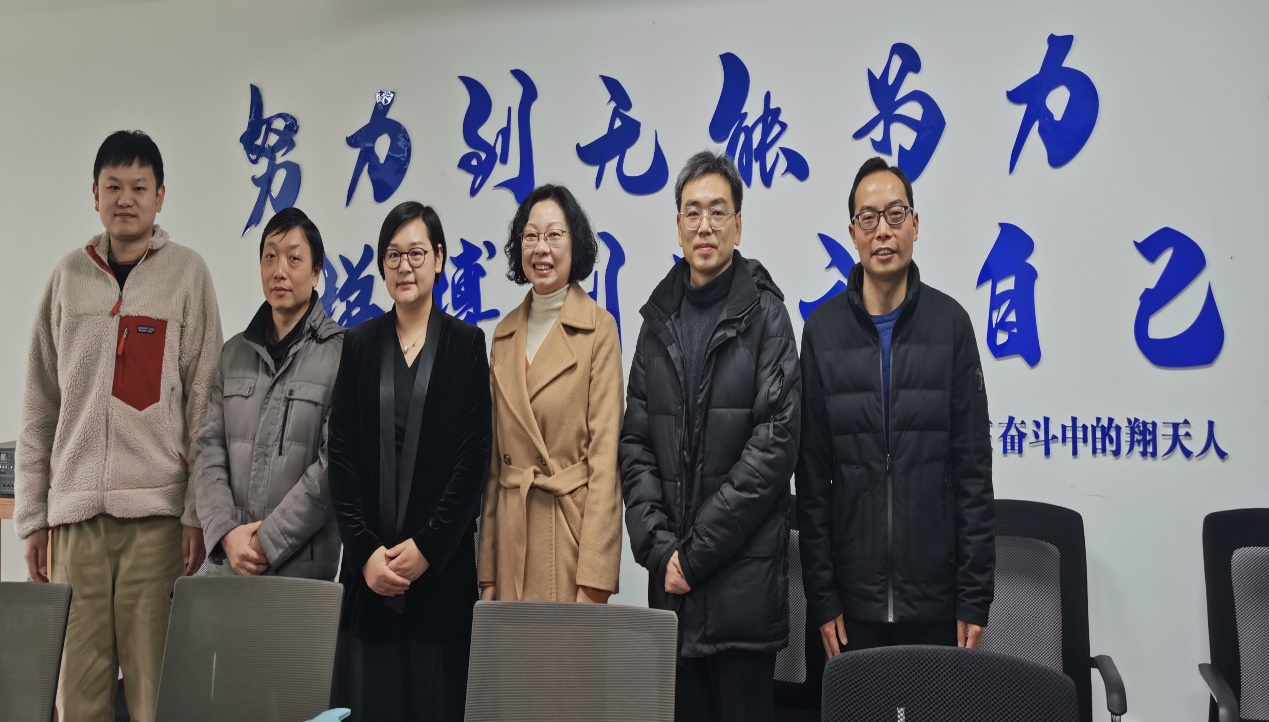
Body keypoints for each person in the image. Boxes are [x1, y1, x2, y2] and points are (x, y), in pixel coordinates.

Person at [14, 129, 221, 722]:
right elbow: (39, 404)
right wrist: (32, 517)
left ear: (161, 196)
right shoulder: (67, 278)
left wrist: (194, 513)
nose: (125, 199)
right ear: (95, 195)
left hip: (155, 524)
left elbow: (205, 404)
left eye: (138, 187)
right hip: (75, 524)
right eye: (113, 187)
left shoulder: (186, 275)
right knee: (76, 696)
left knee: (156, 695)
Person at [621, 150, 801, 722]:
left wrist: (692, 558)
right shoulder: (657, 322)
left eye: (718, 211)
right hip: (673, 596)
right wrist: (660, 552)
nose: (705, 225)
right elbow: (635, 446)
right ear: (678, 224)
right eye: (693, 212)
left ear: (738, 225)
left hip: (740, 597)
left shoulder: (768, 317)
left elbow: (773, 449)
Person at [796, 156, 995, 661]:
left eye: (894, 214)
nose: (882, 230)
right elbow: (812, 481)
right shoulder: (822, 333)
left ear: (915, 224)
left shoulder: (951, 326)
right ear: (852, 233)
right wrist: (822, 597)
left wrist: (974, 596)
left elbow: (973, 471)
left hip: (936, 602)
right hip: (850, 609)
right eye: (868, 218)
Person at [327, 201, 492, 722]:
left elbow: (472, 462)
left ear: (439, 259)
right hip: (369, 581)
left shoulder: (467, 346)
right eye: (393, 255)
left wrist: (426, 549)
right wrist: (365, 554)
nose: (405, 266)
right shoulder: (359, 344)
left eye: (417, 253)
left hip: (439, 583)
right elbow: (340, 457)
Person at [478, 184, 623, 603]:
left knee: (563, 649)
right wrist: (487, 572)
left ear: (575, 243)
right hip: (512, 540)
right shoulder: (503, 334)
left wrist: (594, 579)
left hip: (568, 540)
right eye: (531, 236)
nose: (541, 248)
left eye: (554, 235)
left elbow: (605, 461)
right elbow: (495, 468)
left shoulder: (598, 329)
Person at [194, 207, 344, 579]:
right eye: (270, 257)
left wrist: (267, 541)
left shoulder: (343, 355)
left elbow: (335, 466)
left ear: (316, 273)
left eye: (294, 259)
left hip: (302, 571)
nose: (279, 270)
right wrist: (227, 534)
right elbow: (209, 449)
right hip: (232, 565)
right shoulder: (233, 354)